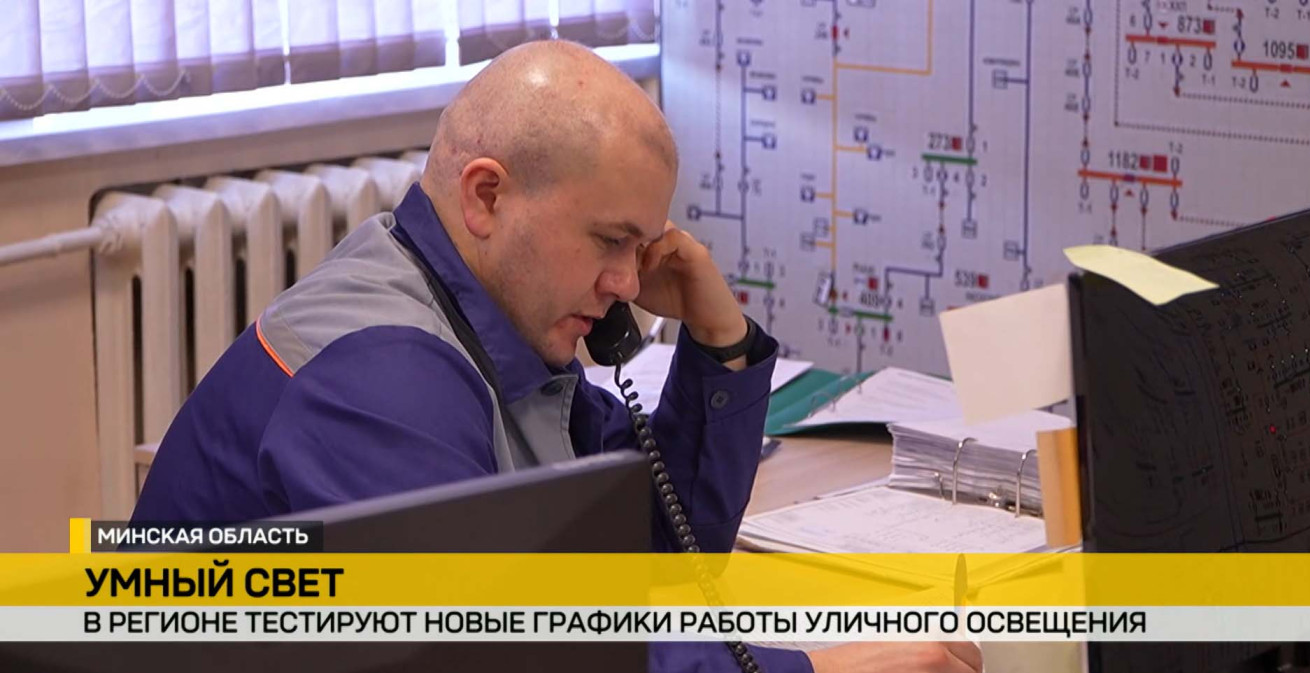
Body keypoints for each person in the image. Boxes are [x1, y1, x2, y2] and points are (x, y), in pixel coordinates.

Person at [131, 40, 982, 673]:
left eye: (642, 246)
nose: (628, 282)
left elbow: (656, 548)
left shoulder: (488, 322)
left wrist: (717, 343)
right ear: (486, 196)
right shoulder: (379, 381)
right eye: (610, 240)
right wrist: (810, 668)